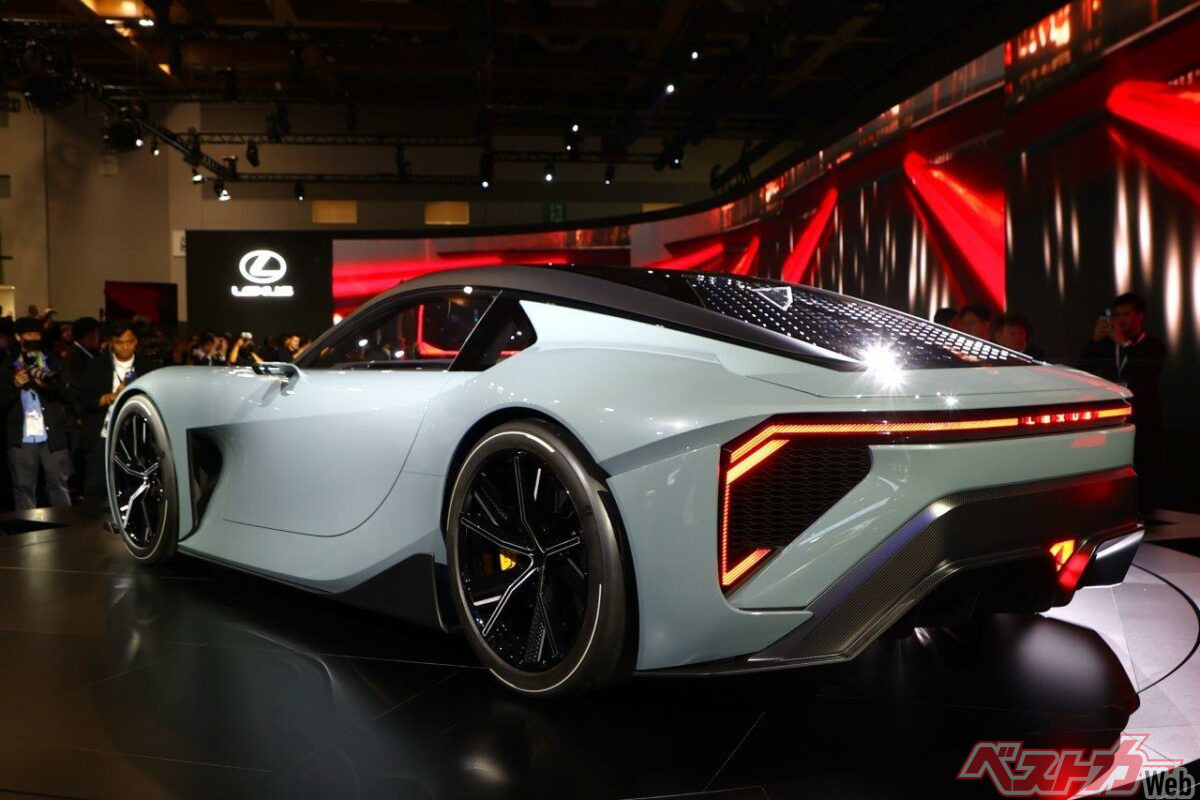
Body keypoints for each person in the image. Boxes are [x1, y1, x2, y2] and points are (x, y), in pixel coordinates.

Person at [1078, 292, 1166, 511]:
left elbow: (1145, 369)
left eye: (1127, 314)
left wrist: (1124, 343)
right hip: (1111, 418)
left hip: (1144, 417)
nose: (1121, 320)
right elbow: (1082, 369)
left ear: (1140, 316)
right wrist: (1095, 340)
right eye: (1117, 315)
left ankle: (1145, 509)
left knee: (1144, 465)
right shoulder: (1107, 346)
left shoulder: (1153, 345)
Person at [77, 321, 155, 504]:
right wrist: (111, 397)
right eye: (120, 342)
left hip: (135, 434)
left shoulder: (147, 366)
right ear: (111, 343)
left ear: (136, 342)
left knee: (134, 483)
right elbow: (85, 398)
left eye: (129, 342)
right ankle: (94, 518)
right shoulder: (98, 365)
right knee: (96, 484)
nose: (125, 346)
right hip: (103, 433)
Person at [0, 318, 72, 509]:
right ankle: (28, 525)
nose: (33, 338)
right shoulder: (7, 365)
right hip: (21, 436)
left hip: (52, 434)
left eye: (37, 334)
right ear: (18, 337)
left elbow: (69, 393)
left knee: (59, 484)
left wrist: (48, 385)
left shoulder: (53, 361)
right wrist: (14, 385)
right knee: (24, 487)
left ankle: (64, 523)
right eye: (29, 334)